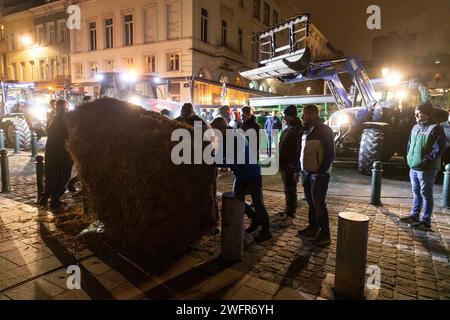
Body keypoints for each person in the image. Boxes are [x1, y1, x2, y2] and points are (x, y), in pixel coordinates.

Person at [210, 117, 272, 242]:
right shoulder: (225, 138)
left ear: (222, 128)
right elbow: (218, 153)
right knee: (238, 199)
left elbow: (233, 160)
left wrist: (214, 163)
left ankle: (266, 231)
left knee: (258, 203)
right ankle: (254, 219)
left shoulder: (236, 138)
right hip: (241, 174)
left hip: (252, 173)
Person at [400, 103, 445, 231]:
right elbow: (410, 144)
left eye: (419, 113)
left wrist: (426, 161)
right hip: (414, 167)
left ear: (427, 114)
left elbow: (439, 148)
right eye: (416, 113)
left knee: (426, 194)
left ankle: (426, 222)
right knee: (416, 193)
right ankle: (415, 216)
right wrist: (409, 158)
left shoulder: (436, 128)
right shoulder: (415, 127)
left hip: (427, 168)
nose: (417, 116)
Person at [297, 104, 335, 246]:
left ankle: (325, 235)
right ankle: (313, 228)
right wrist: (300, 169)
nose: (302, 117)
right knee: (311, 203)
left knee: (319, 204)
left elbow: (330, 154)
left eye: (304, 114)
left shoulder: (325, 131)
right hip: (306, 173)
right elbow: (302, 151)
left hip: (319, 175)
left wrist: (321, 171)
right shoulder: (306, 130)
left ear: (312, 115)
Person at [38, 100, 73, 210]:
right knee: (62, 177)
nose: (66, 110)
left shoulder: (55, 118)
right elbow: (65, 136)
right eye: (64, 109)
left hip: (54, 152)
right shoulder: (58, 120)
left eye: (66, 109)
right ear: (59, 109)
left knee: (52, 177)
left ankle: (46, 198)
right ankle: (54, 199)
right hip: (61, 153)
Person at [278, 106, 303, 227]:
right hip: (285, 164)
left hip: (290, 166)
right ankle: (288, 210)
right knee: (288, 189)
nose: (283, 118)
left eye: (285, 116)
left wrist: (296, 168)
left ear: (290, 116)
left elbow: (298, 151)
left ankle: (291, 214)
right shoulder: (291, 127)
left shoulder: (296, 129)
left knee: (290, 189)